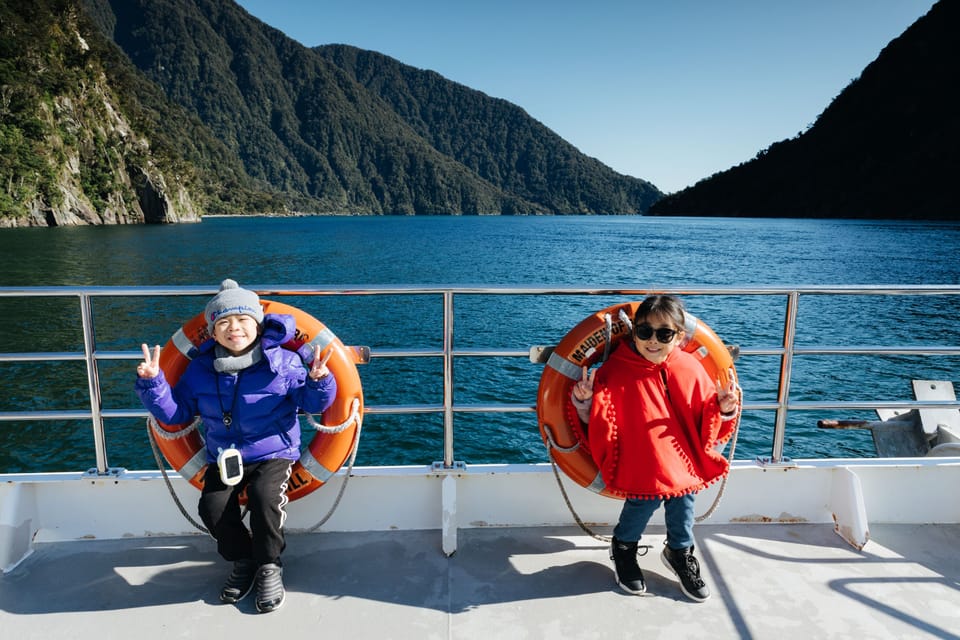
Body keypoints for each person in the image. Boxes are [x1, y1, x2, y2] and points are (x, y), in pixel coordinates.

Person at [135, 279, 337, 613]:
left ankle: (270, 565)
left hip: (274, 452)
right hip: (224, 456)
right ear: (212, 331)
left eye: (243, 320)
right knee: (212, 508)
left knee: (263, 499)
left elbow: (312, 403)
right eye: (224, 322)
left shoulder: (283, 362)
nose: (234, 328)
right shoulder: (199, 370)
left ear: (257, 325)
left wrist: (319, 380)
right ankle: (243, 560)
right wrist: (153, 383)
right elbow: (178, 413)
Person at [570, 295, 739, 602]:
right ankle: (624, 548)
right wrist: (584, 400)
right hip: (639, 455)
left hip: (680, 455)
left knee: (685, 496)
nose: (653, 341)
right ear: (633, 332)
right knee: (643, 501)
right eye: (645, 332)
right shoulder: (615, 370)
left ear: (678, 337)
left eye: (664, 334)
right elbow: (599, 418)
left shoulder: (690, 367)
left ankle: (679, 551)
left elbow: (706, 414)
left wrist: (724, 408)